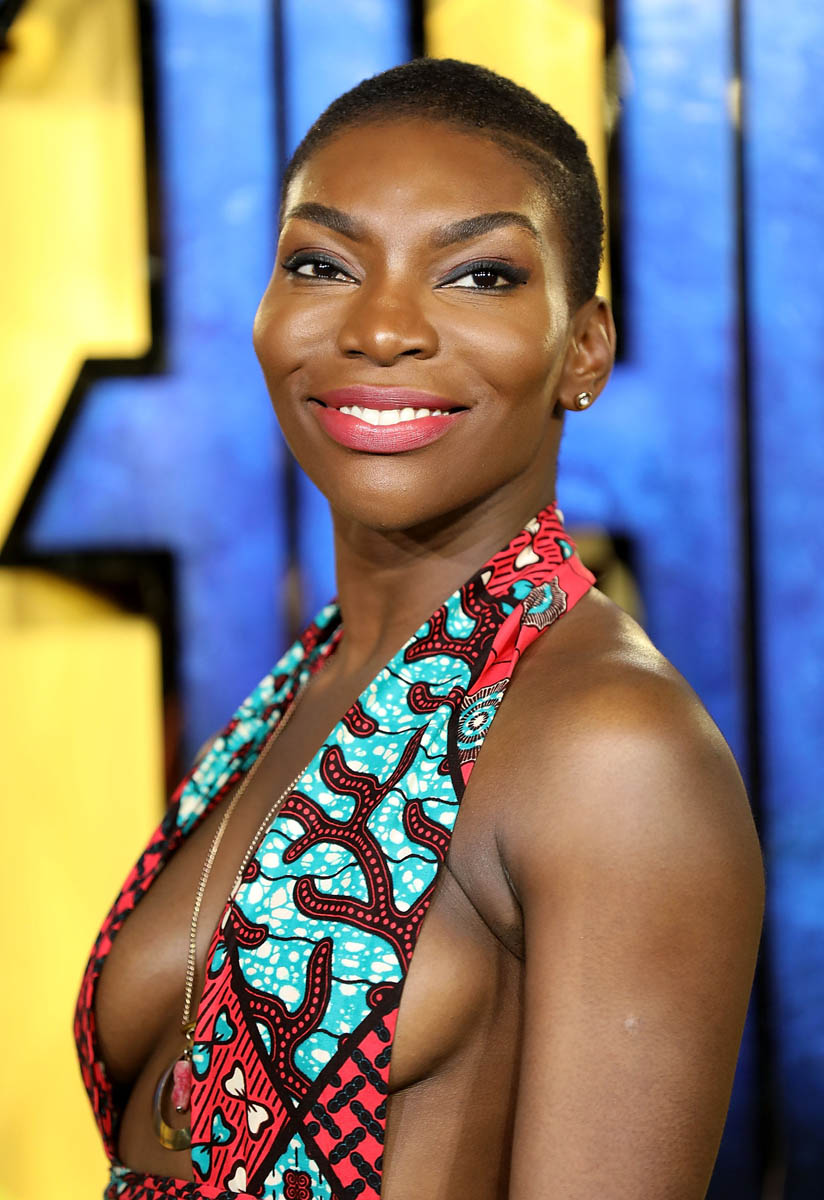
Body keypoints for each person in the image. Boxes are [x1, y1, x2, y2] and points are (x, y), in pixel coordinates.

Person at [75, 57, 764, 1200]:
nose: (382, 328)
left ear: (582, 350)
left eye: (478, 275)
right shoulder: (311, 684)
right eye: (321, 264)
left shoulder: (610, 749)